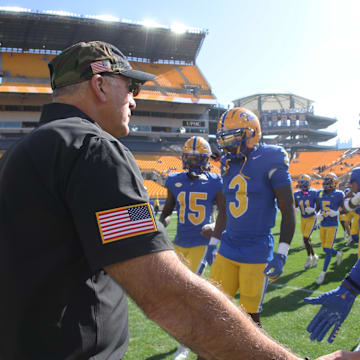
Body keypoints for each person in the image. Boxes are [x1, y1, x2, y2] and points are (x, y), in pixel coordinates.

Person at [0, 40, 311, 360]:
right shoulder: (93, 150)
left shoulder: (18, 153)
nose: (134, 100)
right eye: (131, 87)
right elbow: (165, 291)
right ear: (100, 84)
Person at [202, 107, 296, 328]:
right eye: (224, 139)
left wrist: (282, 252)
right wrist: (214, 243)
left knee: (250, 319)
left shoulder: (271, 157)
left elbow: (287, 207)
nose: (228, 144)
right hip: (228, 247)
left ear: (252, 133)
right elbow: (224, 209)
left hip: (256, 251)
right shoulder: (227, 163)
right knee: (212, 310)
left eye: (234, 137)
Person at [159, 135, 225, 360]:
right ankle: (187, 338)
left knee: (189, 293)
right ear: (183, 159)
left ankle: (186, 344)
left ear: (207, 159)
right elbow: (167, 211)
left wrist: (215, 225)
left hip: (201, 244)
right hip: (179, 243)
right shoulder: (174, 180)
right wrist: (162, 222)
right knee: (176, 294)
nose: (194, 163)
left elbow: (225, 214)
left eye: (198, 159)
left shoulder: (216, 181)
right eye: (190, 158)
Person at [315, 173, 344, 285]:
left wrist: (336, 212)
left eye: (328, 182)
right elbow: (318, 208)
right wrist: (318, 214)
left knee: (327, 248)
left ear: (334, 183)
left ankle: (323, 273)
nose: (326, 184)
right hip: (323, 224)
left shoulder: (339, 194)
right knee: (325, 248)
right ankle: (337, 254)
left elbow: (344, 207)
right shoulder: (320, 193)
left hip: (332, 224)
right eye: (325, 181)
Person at [294, 174, 319, 269]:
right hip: (303, 218)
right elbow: (295, 205)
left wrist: (314, 210)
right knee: (307, 240)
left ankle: (309, 257)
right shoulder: (296, 194)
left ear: (308, 183)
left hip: (312, 218)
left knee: (305, 238)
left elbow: (318, 204)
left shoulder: (313, 192)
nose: (302, 185)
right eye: (301, 183)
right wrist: (295, 209)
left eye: (304, 183)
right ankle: (314, 256)